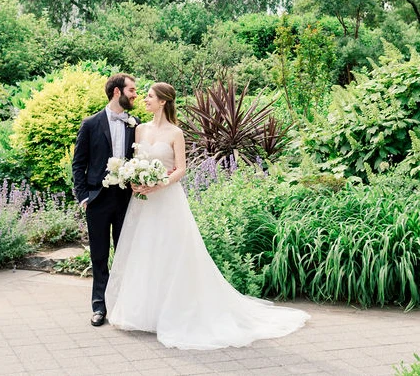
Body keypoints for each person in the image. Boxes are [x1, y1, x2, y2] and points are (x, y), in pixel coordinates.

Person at [105, 82, 309, 349]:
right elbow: (134, 162)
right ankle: (144, 312)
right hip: (142, 202)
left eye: (150, 96)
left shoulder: (175, 133)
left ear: (163, 101)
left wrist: (159, 184)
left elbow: (181, 169)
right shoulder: (140, 129)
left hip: (166, 199)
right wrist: (135, 180)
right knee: (144, 251)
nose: (145, 99)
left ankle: (175, 312)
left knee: (172, 253)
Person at [72, 73, 139, 327]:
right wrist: (83, 197)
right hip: (98, 199)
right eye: (131, 90)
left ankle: (122, 305)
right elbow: (78, 164)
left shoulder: (135, 123)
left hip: (126, 199)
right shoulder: (90, 124)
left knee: (125, 253)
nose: (135, 95)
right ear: (116, 92)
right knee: (99, 256)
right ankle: (99, 307)